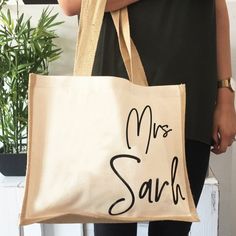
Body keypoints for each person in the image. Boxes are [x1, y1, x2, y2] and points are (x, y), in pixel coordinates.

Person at [58, 0, 236, 235]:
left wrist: (225, 93)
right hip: (116, 100)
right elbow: (70, 3)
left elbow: (216, 5)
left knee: (173, 231)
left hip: (189, 99)